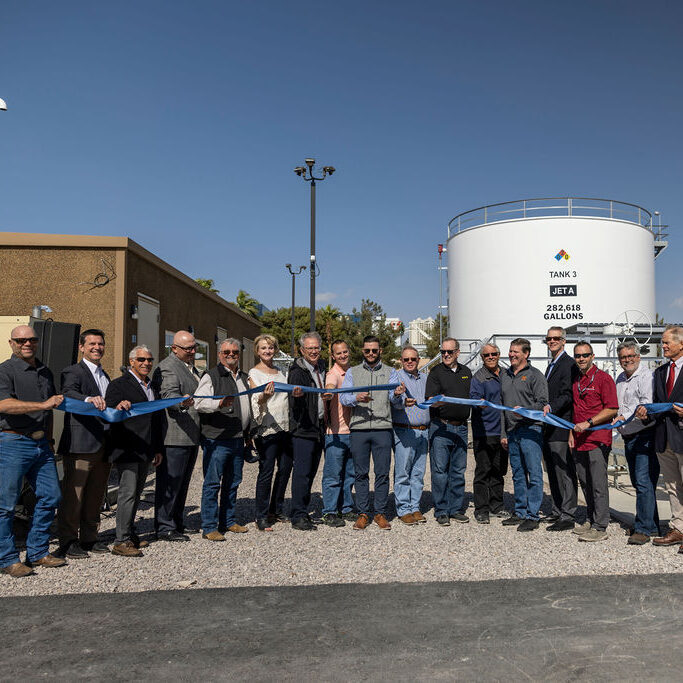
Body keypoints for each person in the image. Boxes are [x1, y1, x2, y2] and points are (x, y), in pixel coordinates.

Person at [0, 325, 65, 577]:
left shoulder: (45, 371)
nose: (26, 343)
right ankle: (7, 559)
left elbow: (49, 411)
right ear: (11, 343)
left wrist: (49, 440)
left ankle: (37, 552)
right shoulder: (5, 371)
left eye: (31, 339)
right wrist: (42, 404)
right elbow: (4, 405)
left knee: (51, 496)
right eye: (21, 340)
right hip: (13, 443)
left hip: (42, 446)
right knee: (5, 506)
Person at [56, 329, 112, 559]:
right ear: (81, 347)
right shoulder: (73, 371)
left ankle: (90, 538)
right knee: (74, 496)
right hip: (80, 444)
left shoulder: (105, 375)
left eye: (100, 344)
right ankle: (68, 541)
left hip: (103, 445)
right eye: (92, 344)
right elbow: (68, 394)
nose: (97, 347)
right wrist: (89, 400)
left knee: (96, 494)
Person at [104, 345, 164, 557]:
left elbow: (156, 419)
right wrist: (118, 405)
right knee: (127, 494)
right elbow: (108, 411)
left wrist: (157, 448)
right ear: (131, 361)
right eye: (141, 359)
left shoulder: (152, 387)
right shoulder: (118, 385)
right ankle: (121, 541)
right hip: (128, 449)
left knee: (137, 494)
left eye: (149, 359)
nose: (146, 363)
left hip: (146, 449)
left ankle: (129, 534)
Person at [195, 338, 252, 541]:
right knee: (212, 483)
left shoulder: (244, 377)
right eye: (226, 352)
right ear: (220, 354)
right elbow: (199, 402)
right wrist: (218, 403)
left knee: (233, 481)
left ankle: (228, 520)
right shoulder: (211, 376)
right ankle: (209, 526)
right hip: (217, 439)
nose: (231, 355)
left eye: (235, 352)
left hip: (237, 438)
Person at [340, 335, 394, 531]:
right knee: (360, 473)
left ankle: (380, 512)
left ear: (380, 351)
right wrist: (356, 397)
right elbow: (343, 398)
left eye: (374, 350)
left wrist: (397, 395)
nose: (371, 354)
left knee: (382, 473)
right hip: (359, 429)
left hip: (382, 429)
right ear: (362, 351)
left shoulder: (391, 372)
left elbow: (394, 399)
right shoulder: (352, 372)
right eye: (367, 350)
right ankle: (363, 513)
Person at [637, 325, 683, 552]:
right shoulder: (660, 373)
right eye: (662, 342)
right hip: (664, 438)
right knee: (673, 486)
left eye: (666, 342)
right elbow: (656, 404)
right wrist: (646, 414)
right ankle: (678, 528)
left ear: (681, 344)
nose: (662, 346)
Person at [152, 330, 201, 542]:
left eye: (194, 347)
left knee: (182, 483)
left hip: (190, 435)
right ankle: (165, 526)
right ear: (174, 348)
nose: (192, 351)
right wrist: (181, 402)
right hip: (174, 437)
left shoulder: (190, 367)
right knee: (170, 484)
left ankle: (177, 521)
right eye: (187, 348)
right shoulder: (167, 367)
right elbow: (169, 396)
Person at [500, 338, 550, 532]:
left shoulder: (535, 376)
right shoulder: (505, 375)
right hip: (512, 432)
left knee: (534, 473)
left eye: (516, 352)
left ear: (526, 354)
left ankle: (533, 515)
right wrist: (504, 433)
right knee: (518, 474)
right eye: (510, 351)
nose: (511, 354)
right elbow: (502, 407)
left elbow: (543, 403)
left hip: (531, 430)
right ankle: (520, 511)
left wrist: (526, 410)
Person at [570, 342, 618, 542]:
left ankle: (600, 526)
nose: (581, 359)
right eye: (578, 356)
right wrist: (571, 433)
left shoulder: (603, 379)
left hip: (597, 439)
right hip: (579, 439)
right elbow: (575, 410)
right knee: (585, 482)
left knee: (598, 483)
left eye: (585, 355)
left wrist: (589, 423)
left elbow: (612, 409)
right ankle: (591, 518)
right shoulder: (577, 380)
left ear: (592, 356)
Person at [614, 341, 659, 545]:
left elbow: (645, 405)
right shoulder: (620, 379)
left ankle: (643, 528)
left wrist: (624, 417)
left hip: (644, 435)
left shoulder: (646, 376)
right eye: (623, 357)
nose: (627, 360)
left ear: (638, 357)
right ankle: (651, 524)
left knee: (643, 482)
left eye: (631, 356)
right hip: (628, 436)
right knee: (641, 482)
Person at [249, 334, 294, 531]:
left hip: (285, 426)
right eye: (263, 348)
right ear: (257, 351)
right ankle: (261, 514)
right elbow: (254, 401)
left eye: (270, 348)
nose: (267, 351)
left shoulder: (281, 372)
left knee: (284, 470)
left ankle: (276, 508)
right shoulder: (253, 373)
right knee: (266, 472)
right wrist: (264, 398)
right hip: (267, 428)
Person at [425, 337, 472, 526]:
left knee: (458, 471)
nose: (445, 355)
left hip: (461, 427)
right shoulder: (435, 372)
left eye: (449, 352)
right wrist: (439, 401)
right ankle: (442, 510)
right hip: (441, 426)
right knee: (440, 471)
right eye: (443, 352)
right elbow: (429, 400)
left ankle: (455, 509)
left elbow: (473, 397)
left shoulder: (467, 372)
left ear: (457, 353)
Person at [287, 332, 326, 531]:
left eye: (316, 347)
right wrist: (297, 397)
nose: (314, 351)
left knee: (311, 472)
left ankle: (303, 509)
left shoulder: (322, 368)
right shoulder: (297, 371)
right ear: (302, 351)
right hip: (303, 428)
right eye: (309, 348)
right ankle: (298, 515)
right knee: (302, 473)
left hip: (318, 427)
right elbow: (292, 401)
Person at [542, 326, 578, 532]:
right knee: (552, 470)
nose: (552, 341)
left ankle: (568, 513)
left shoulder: (568, 364)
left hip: (561, 425)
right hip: (549, 426)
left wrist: (551, 407)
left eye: (556, 338)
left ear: (564, 341)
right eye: (549, 338)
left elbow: (567, 394)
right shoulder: (551, 366)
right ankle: (557, 509)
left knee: (564, 471)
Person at [389, 345, 430, 525]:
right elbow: (392, 399)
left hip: (423, 431)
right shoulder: (396, 377)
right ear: (401, 360)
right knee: (403, 472)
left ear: (418, 360)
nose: (410, 362)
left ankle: (415, 506)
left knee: (418, 473)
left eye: (413, 359)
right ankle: (403, 508)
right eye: (406, 359)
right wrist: (400, 398)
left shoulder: (426, 378)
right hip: (404, 430)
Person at [469, 343, 508, 524]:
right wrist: (480, 403)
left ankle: (497, 506)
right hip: (484, 432)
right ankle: (482, 509)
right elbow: (474, 399)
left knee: (498, 471)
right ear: (482, 358)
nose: (491, 357)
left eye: (494, 354)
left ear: (499, 355)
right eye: (487, 355)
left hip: (503, 432)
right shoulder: (478, 378)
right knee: (483, 471)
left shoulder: (507, 375)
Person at [321, 340, 356, 527]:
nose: (343, 355)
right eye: (339, 353)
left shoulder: (353, 373)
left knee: (349, 474)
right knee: (333, 475)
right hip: (335, 433)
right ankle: (329, 511)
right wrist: (329, 392)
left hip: (353, 431)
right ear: (333, 356)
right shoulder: (333, 373)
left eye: (345, 352)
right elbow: (330, 385)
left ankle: (347, 508)